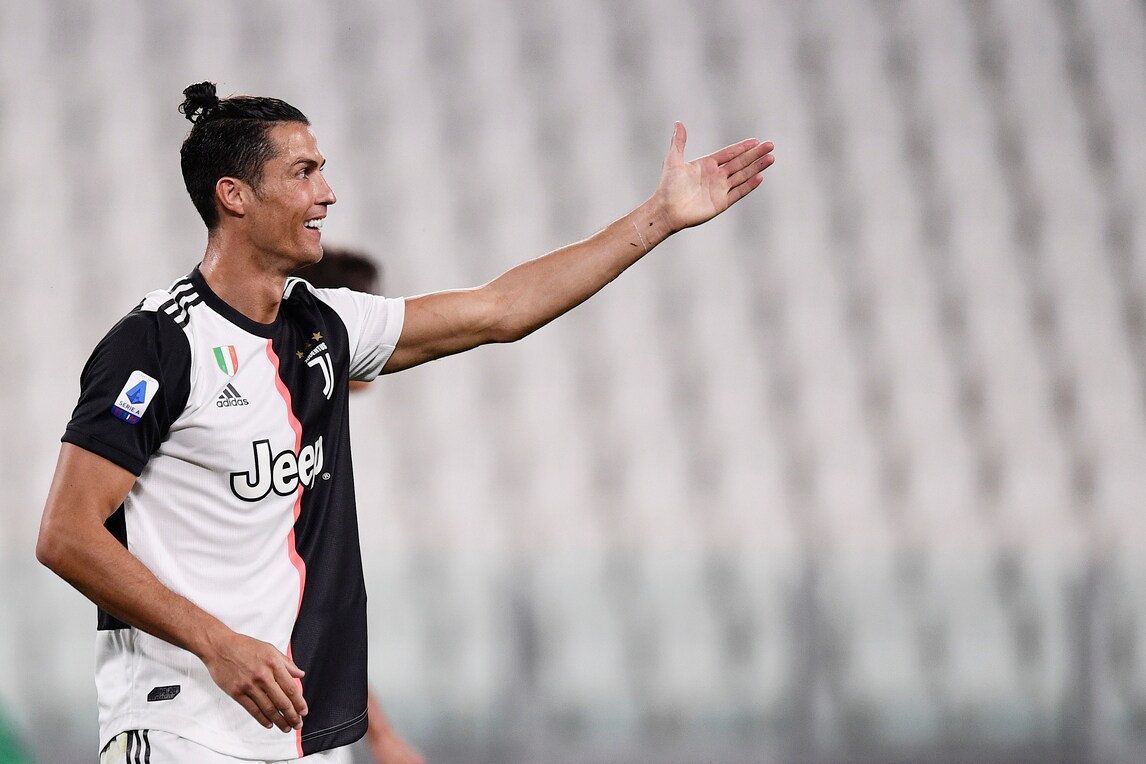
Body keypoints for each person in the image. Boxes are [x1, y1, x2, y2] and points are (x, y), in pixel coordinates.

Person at [35, 81, 774, 764]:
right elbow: (66, 534)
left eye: (323, 171)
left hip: (297, 736)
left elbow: (500, 310)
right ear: (234, 196)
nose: (327, 193)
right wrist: (216, 643)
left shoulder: (324, 325)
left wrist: (660, 218)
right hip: (179, 730)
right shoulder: (158, 344)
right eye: (303, 173)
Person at [296, 248, 427, 764]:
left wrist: (379, 732)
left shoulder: (323, 425)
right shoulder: (282, 438)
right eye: (366, 307)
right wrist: (383, 734)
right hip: (258, 712)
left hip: (307, 705)